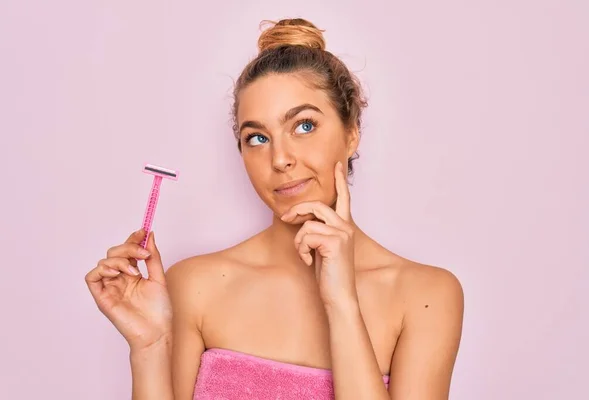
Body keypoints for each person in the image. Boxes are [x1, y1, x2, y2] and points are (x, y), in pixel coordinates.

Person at [85, 18, 464, 400]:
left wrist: (341, 302)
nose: (280, 158)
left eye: (304, 126)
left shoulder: (427, 295)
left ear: (351, 134)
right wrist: (148, 347)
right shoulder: (194, 286)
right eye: (257, 137)